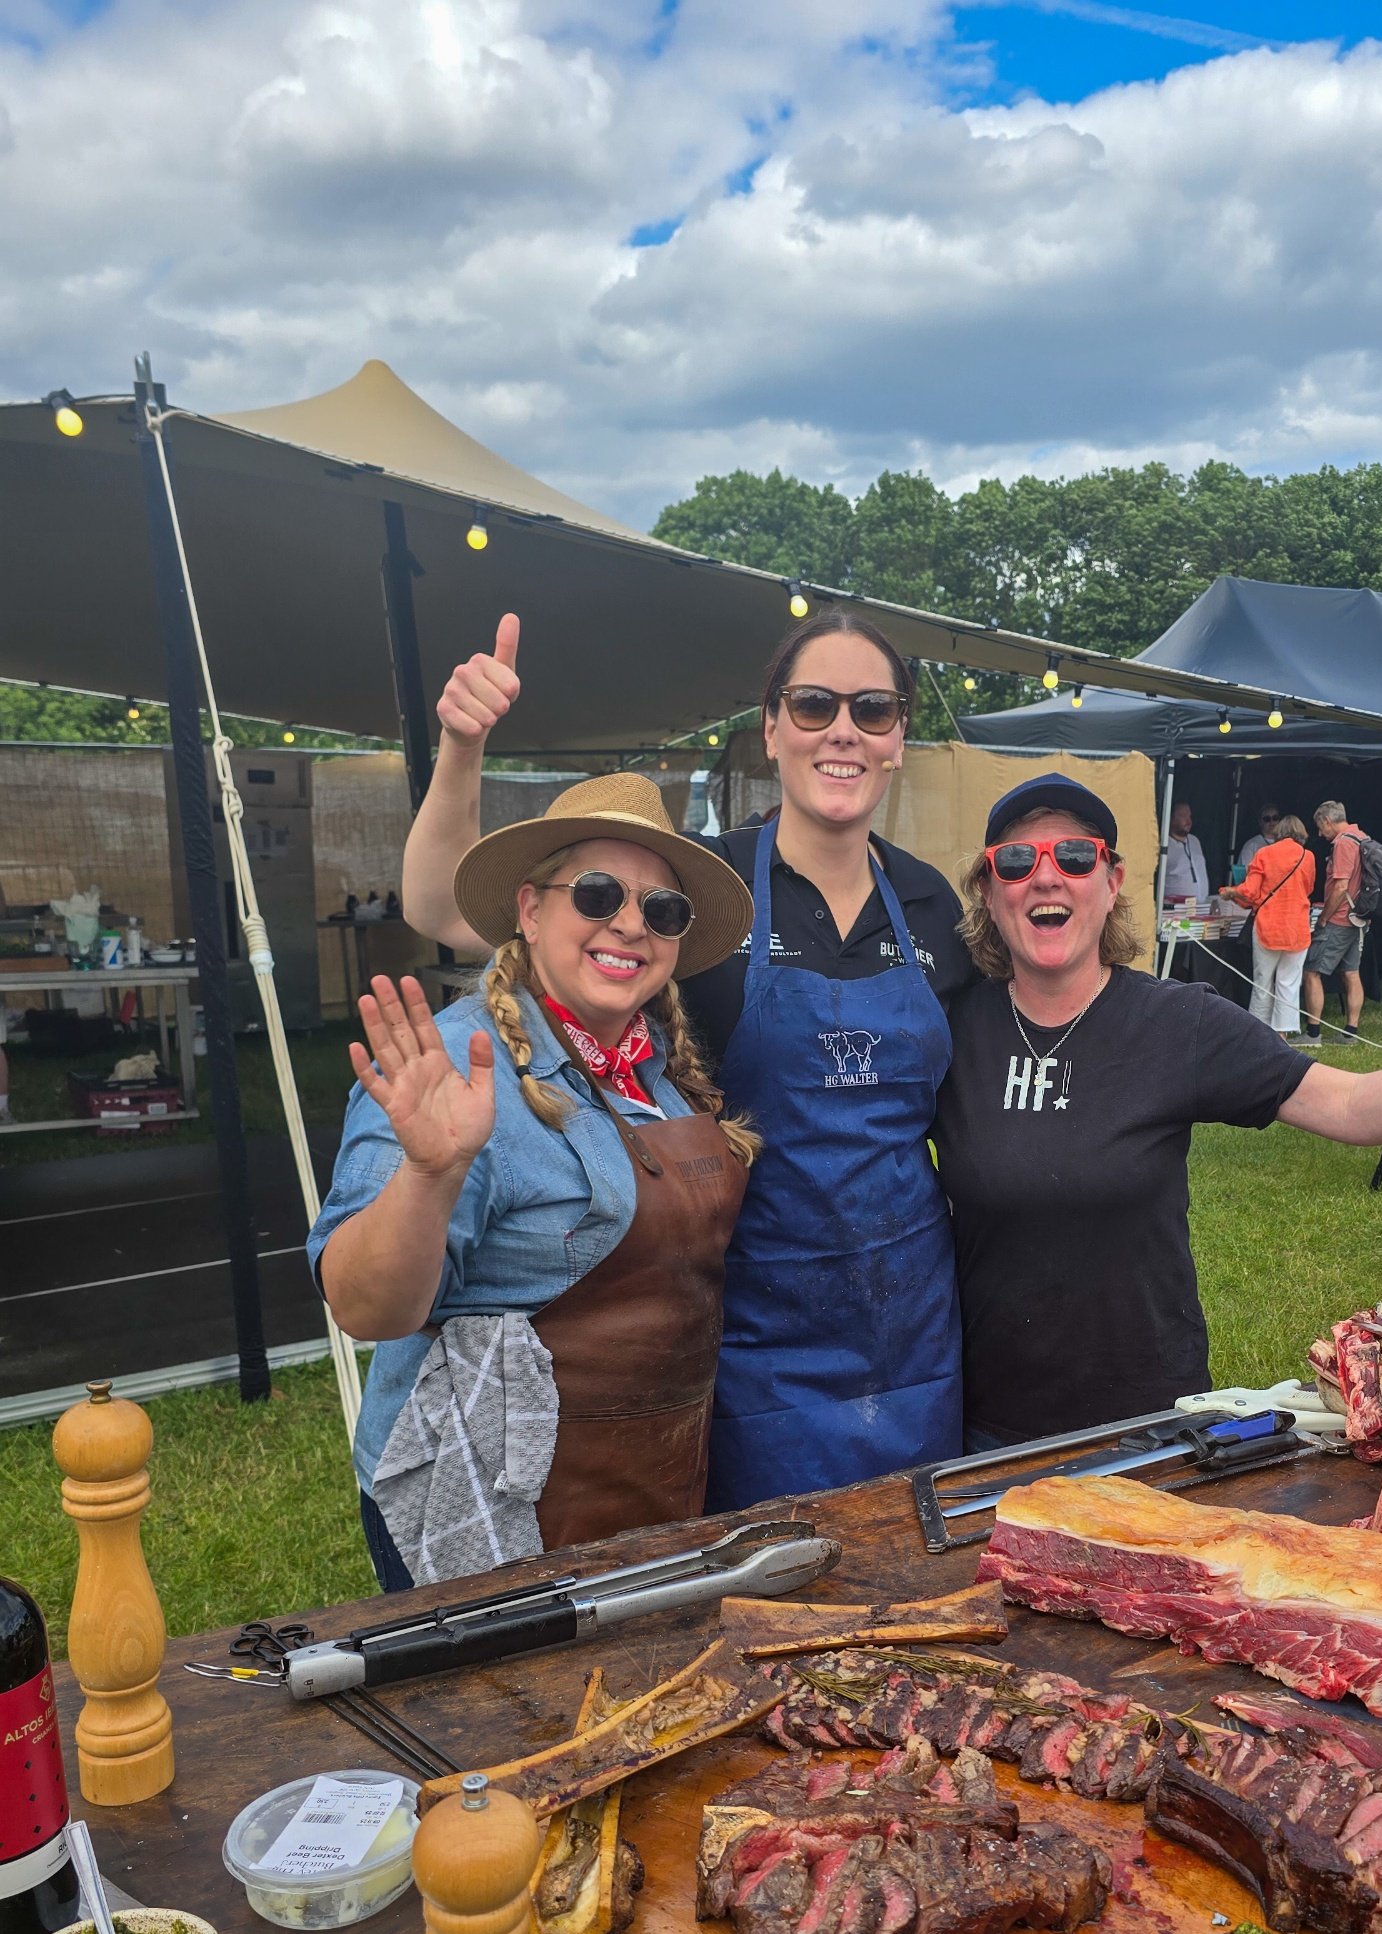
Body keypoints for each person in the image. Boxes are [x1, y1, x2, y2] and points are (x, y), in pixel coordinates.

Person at [398, 609, 976, 1509]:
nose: (843, 731)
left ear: (899, 737)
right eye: (815, 703)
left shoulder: (930, 902)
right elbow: (441, 909)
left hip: (913, 1326)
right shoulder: (702, 894)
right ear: (772, 727)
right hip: (753, 1329)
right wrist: (462, 746)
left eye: (873, 709)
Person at [933, 774, 1382, 1450]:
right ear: (989, 892)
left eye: (1074, 857)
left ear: (1110, 883)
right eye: (1017, 862)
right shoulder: (944, 1033)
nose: (1046, 877)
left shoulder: (1175, 1023)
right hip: (987, 1418)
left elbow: (1345, 1099)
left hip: (1143, 1419)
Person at [309, 775, 758, 1590]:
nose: (630, 923)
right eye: (597, 894)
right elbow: (365, 1308)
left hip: (651, 1480)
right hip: (488, 1497)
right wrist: (429, 1172)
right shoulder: (449, 1068)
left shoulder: (657, 1065)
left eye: (662, 910)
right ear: (530, 908)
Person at [1224, 812, 1314, 1033]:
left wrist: (1230, 892)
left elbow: (1251, 891)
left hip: (1268, 927)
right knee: (1289, 983)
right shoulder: (1307, 856)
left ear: (1279, 831)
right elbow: (1309, 888)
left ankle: (1259, 1032)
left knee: (1262, 984)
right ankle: (1282, 1032)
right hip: (1297, 928)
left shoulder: (1264, 853)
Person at [1300, 799, 1366, 1044]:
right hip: (1357, 918)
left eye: (1320, 826)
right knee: (1351, 973)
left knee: (1312, 972)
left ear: (1327, 820)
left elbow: (1340, 886)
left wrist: (1324, 918)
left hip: (1339, 919)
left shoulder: (1343, 844)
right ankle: (1351, 1031)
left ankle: (1313, 1033)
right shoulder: (1361, 837)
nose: (1320, 833)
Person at [1162, 800, 1208, 904]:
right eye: (1183, 816)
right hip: (1174, 910)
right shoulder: (1164, 844)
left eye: (1190, 816)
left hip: (1200, 907)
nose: (1189, 821)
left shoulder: (1194, 841)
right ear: (1171, 818)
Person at [1233, 804, 1283, 884]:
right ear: (1260, 822)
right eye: (1267, 819)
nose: (1272, 822)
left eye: (1275, 818)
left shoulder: (1285, 844)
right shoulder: (1251, 845)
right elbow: (1242, 876)